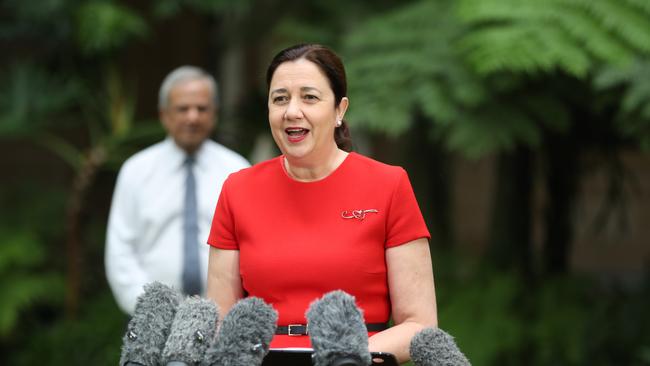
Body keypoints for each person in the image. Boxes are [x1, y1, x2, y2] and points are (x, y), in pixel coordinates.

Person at [206, 44, 437, 363]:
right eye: (280, 98)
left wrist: (346, 358)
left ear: (340, 110)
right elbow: (219, 319)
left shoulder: (389, 184)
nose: (292, 111)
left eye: (309, 97)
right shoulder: (237, 189)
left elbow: (420, 324)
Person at [105, 66, 250, 315]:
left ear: (214, 113)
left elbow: (249, 246)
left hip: (221, 317)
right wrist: (149, 309)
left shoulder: (238, 171)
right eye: (182, 109)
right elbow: (121, 252)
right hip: (149, 319)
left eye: (201, 109)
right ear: (164, 115)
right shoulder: (136, 171)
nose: (192, 117)